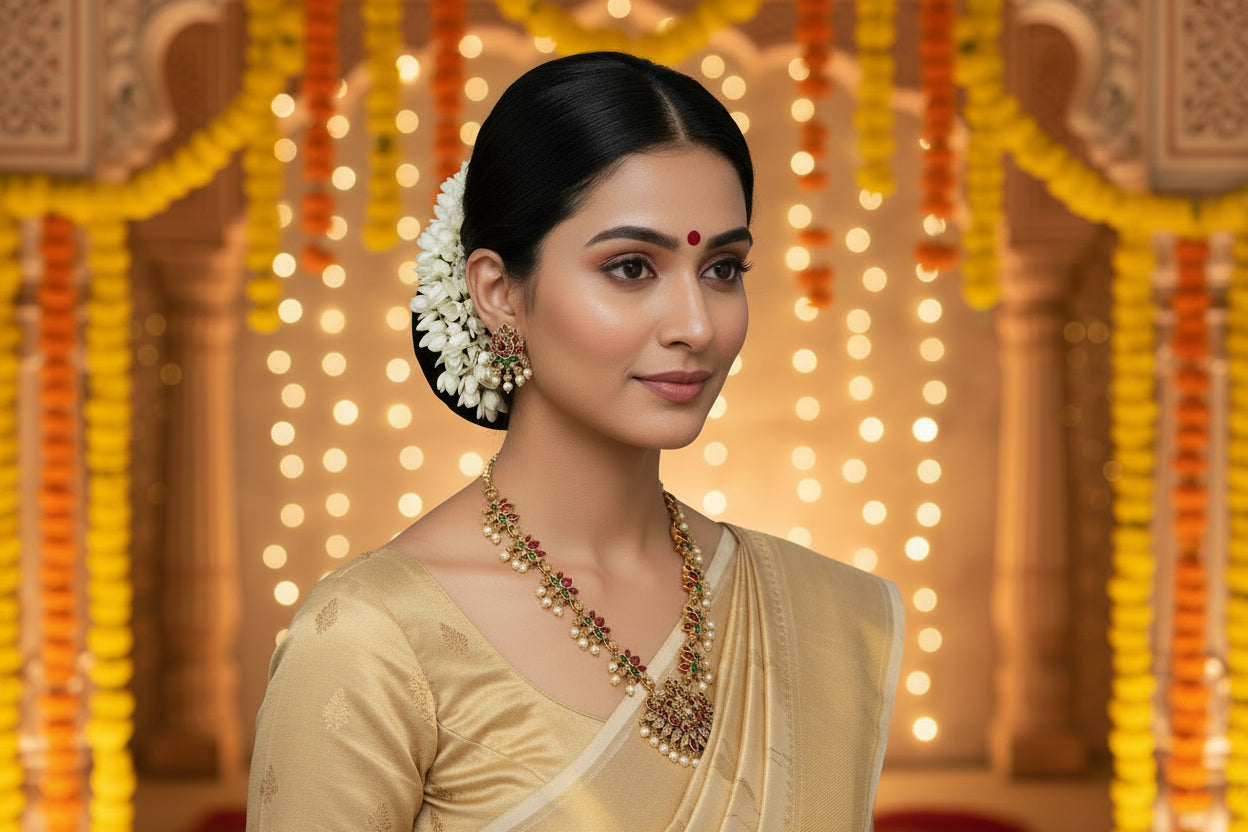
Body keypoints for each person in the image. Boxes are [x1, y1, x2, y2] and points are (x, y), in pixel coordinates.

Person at [247, 51, 903, 831]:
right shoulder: (371, 639)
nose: (696, 325)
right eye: (632, 267)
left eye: (723, 267)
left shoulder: (813, 614)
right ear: (497, 292)